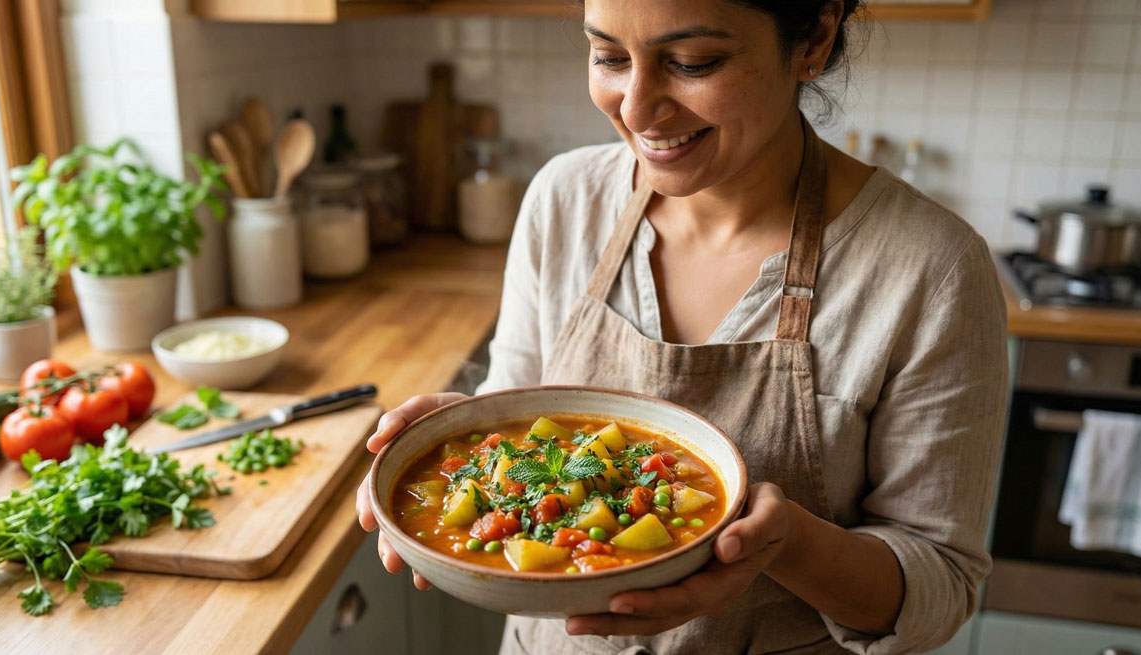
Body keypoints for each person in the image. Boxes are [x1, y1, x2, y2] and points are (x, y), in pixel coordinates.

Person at [356, 0, 1009, 653]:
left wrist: (788, 544)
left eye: (693, 62)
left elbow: (940, 589)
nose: (636, 109)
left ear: (814, 34)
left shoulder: (933, 267)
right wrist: (470, 438)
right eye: (609, 56)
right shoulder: (563, 200)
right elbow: (520, 405)